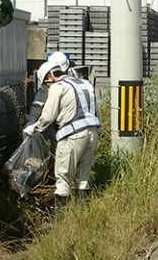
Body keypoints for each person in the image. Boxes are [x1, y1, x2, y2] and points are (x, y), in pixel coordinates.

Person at [23, 61, 101, 207]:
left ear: (49, 77)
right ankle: (82, 213)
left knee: (63, 179)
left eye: (46, 84)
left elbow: (48, 115)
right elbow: (97, 111)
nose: (47, 87)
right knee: (83, 178)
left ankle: (62, 220)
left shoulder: (58, 87)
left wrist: (35, 128)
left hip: (72, 135)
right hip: (92, 132)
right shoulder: (84, 83)